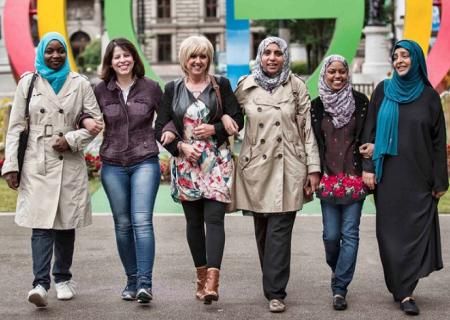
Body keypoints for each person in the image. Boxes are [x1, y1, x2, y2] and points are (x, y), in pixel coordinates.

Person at [1, 32, 102, 308]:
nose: (55, 56)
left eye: (60, 51)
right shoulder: (28, 83)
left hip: (68, 161)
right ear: (41, 53)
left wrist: (70, 140)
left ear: (66, 53)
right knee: (41, 224)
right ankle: (40, 283)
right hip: (37, 160)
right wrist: (11, 165)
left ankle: (63, 278)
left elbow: (97, 122)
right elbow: (16, 128)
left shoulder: (79, 83)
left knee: (66, 224)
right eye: (49, 51)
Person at [233, 36, 321, 313]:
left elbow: (306, 128)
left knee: (280, 230)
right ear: (259, 56)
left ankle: (275, 291)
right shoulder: (245, 86)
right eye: (267, 53)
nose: (272, 58)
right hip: (256, 166)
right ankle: (271, 280)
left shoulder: (296, 86)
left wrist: (313, 167)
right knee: (263, 230)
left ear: (285, 57)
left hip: (289, 165)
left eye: (277, 53)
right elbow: (230, 120)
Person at [154, 36, 244, 305]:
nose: (198, 61)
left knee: (214, 220)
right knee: (193, 223)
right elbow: (161, 128)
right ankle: (201, 278)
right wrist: (180, 147)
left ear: (209, 59)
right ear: (185, 59)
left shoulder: (221, 85)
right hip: (186, 165)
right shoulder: (172, 88)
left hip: (216, 163)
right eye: (193, 56)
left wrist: (215, 128)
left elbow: (238, 117)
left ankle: (213, 284)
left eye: (203, 56)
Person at [362, 39, 448, 316]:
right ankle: (399, 286)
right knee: (389, 236)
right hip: (388, 178)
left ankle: (406, 292)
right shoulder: (383, 91)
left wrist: (440, 180)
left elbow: (438, 142)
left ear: (416, 60)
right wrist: (367, 168)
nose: (399, 60)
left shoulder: (429, 96)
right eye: (396, 56)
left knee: (414, 235)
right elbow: (369, 133)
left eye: (405, 56)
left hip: (419, 179)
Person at [81, 38, 163, 304]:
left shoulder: (150, 88)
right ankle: (131, 280)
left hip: (144, 160)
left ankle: (145, 284)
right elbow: (82, 114)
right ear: (110, 62)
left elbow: (165, 120)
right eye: (117, 57)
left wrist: (172, 133)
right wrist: (86, 120)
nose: (123, 60)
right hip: (113, 163)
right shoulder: (100, 90)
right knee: (123, 225)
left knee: (141, 221)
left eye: (126, 55)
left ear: (134, 58)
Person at [310, 54, 370, 311]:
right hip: (328, 179)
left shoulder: (361, 102)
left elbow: (368, 137)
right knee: (331, 236)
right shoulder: (316, 105)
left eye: (341, 72)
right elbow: (311, 142)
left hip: (354, 179)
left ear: (348, 74)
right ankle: (338, 269)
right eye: (331, 72)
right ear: (324, 75)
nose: (337, 76)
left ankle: (340, 288)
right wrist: (311, 172)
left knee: (351, 234)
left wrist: (368, 169)